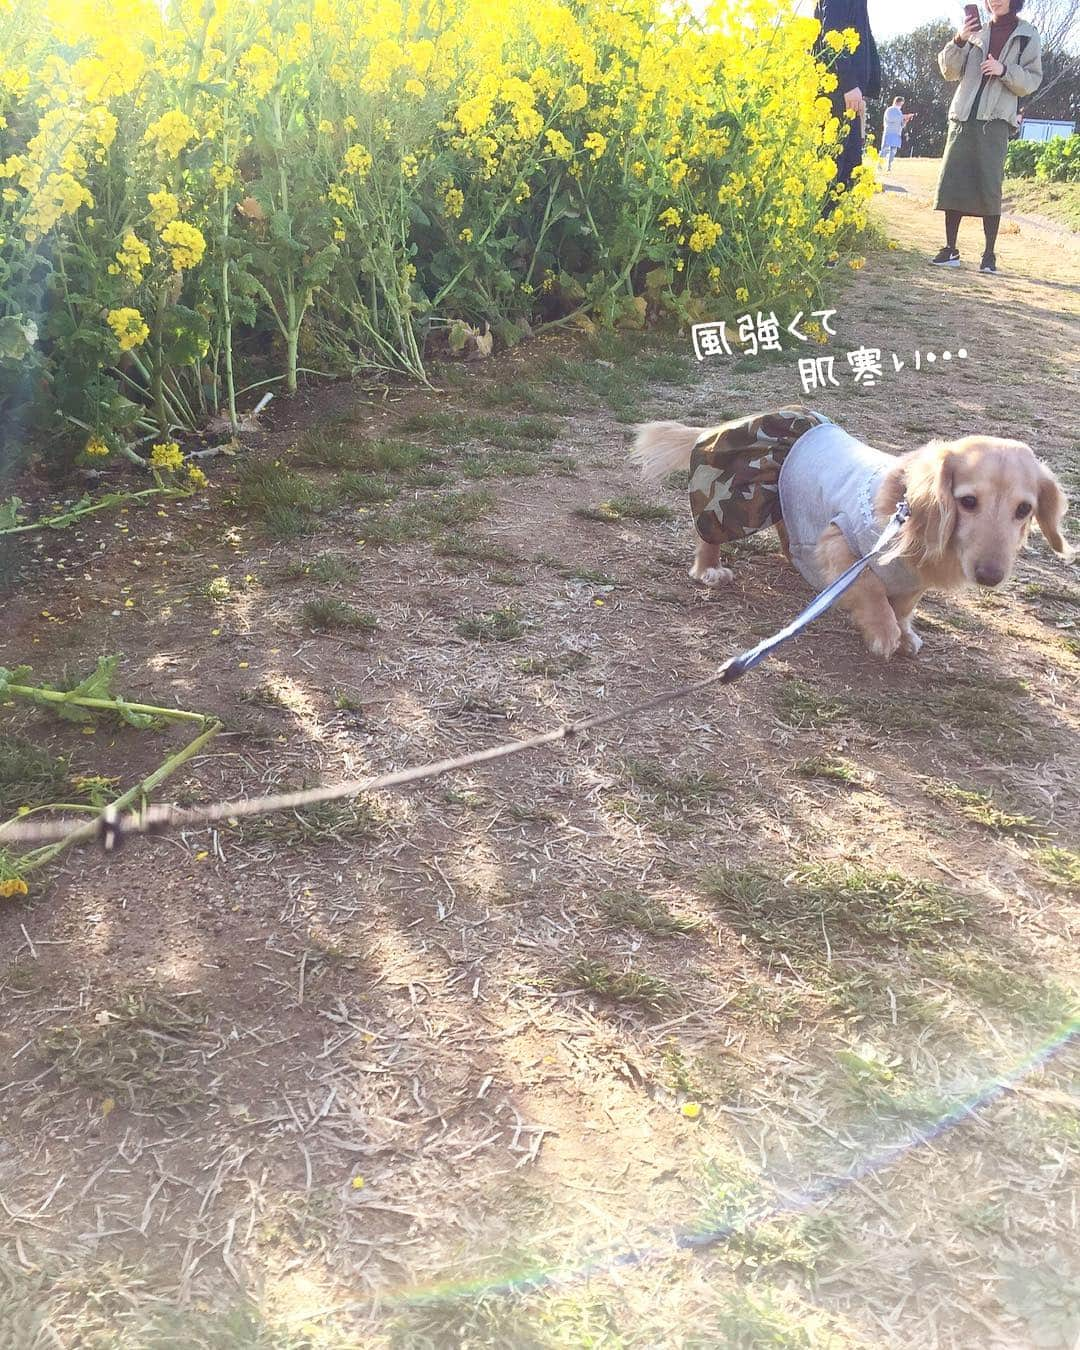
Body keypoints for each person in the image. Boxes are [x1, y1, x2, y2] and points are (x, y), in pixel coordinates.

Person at [932, 0, 1042, 274]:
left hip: (995, 120)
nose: (995, 0)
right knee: (952, 181)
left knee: (990, 186)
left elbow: (1031, 80)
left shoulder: (1027, 34)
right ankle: (950, 249)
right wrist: (959, 39)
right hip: (962, 116)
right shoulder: (975, 31)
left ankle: (989, 255)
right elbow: (949, 71)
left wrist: (1003, 70)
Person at [814, 0, 881, 204]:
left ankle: (827, 230)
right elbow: (831, 32)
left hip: (848, 94)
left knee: (847, 171)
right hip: (837, 92)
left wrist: (865, 88)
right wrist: (849, 84)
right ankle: (819, 229)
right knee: (832, 171)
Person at [881, 96, 915, 171]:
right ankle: (879, 165)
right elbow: (892, 119)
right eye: (900, 104)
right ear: (896, 102)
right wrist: (904, 116)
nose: (901, 106)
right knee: (885, 150)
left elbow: (901, 124)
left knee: (893, 151)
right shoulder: (889, 110)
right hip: (889, 132)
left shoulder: (899, 112)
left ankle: (889, 166)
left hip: (897, 134)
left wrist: (906, 120)